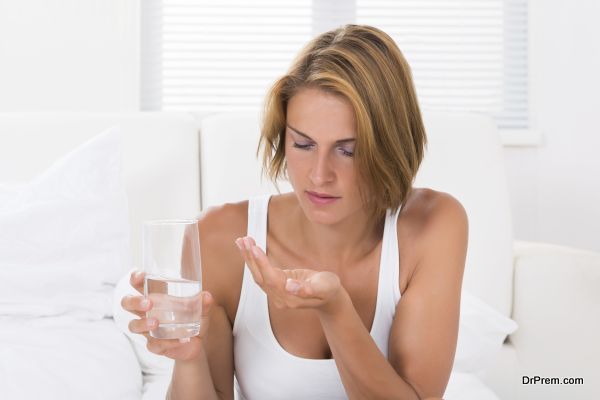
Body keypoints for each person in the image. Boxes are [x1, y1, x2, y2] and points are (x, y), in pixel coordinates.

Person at [122, 24, 467, 400]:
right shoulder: (221, 237)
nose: (320, 175)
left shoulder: (433, 225)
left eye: (347, 150)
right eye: (303, 144)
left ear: (389, 145)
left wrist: (335, 309)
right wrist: (188, 359)